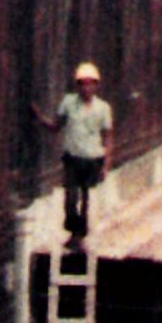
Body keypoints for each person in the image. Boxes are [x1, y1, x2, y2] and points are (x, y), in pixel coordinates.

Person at [49, 61, 112, 245]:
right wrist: (39, 118)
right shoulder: (68, 103)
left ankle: (79, 234)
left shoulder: (103, 108)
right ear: (77, 86)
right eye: (83, 84)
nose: (86, 88)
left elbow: (108, 137)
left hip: (92, 158)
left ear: (96, 86)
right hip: (72, 157)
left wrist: (106, 165)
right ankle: (73, 229)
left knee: (86, 197)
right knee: (70, 196)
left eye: (90, 84)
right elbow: (56, 125)